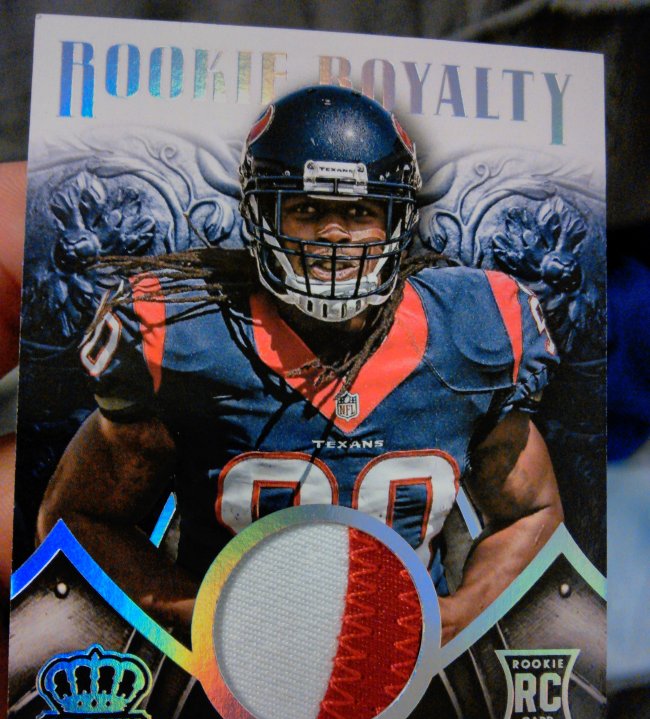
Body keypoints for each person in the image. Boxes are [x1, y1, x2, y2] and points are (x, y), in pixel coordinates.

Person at [36, 85, 562, 645]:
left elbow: (532, 513)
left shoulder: (475, 329)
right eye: (307, 209)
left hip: (406, 667)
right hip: (223, 667)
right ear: (261, 215)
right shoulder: (186, 338)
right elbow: (80, 518)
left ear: (399, 220)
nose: (334, 233)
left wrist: (454, 618)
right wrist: (202, 615)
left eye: (359, 211)